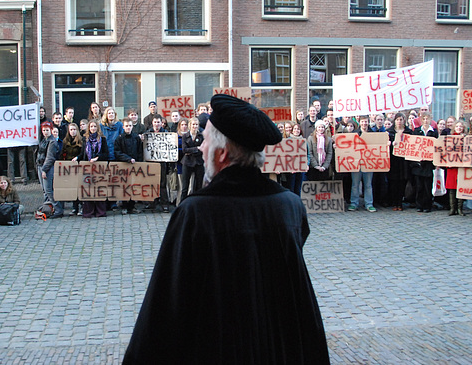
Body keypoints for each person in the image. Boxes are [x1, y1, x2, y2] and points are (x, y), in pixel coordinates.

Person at [123, 94, 330, 364]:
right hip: (278, 346)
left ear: (221, 154)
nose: (201, 148)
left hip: (217, 346)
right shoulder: (289, 206)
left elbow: (167, 306)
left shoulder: (195, 213)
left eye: (206, 141)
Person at [78, 119, 109, 218]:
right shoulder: (85, 139)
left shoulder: (102, 139)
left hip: (99, 167)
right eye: (91, 127)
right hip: (87, 167)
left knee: (99, 188)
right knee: (88, 189)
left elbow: (106, 153)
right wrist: (77, 158)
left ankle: (100, 211)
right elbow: (82, 153)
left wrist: (97, 158)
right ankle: (88, 211)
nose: (93, 128)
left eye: (95, 127)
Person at [114, 118, 144, 215]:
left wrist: (138, 162)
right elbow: (117, 152)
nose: (128, 127)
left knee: (134, 186)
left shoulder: (136, 138)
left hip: (134, 165)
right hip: (123, 165)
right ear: (123, 127)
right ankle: (124, 206)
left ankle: (132, 206)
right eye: (126, 126)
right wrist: (127, 159)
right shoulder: (119, 138)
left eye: (130, 126)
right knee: (124, 186)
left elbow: (140, 151)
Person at [412, 112, 439, 213]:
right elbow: (413, 146)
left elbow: (437, 147)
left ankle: (427, 205)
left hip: (429, 163)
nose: (426, 121)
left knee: (428, 185)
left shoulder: (434, 132)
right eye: (424, 119)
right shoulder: (417, 131)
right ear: (421, 120)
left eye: (428, 119)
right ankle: (419, 205)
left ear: (431, 120)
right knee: (419, 186)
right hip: (419, 163)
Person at [35, 121, 64, 218]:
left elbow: (50, 157)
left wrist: (44, 169)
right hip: (40, 165)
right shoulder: (43, 140)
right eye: (43, 130)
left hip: (47, 167)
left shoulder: (52, 142)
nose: (45, 132)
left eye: (47, 130)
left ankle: (58, 209)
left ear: (51, 130)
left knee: (49, 190)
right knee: (44, 190)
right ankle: (47, 208)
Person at [348, 116, 376, 212]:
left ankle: (369, 203)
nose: (364, 123)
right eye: (363, 122)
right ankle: (354, 203)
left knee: (368, 184)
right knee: (355, 184)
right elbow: (347, 146)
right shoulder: (354, 134)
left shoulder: (373, 133)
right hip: (356, 163)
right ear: (359, 123)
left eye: (366, 122)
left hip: (368, 163)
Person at [145, 114, 171, 212]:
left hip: (162, 162)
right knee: (151, 183)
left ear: (161, 123)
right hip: (151, 162)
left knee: (163, 184)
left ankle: (164, 204)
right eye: (155, 122)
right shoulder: (147, 133)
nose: (157, 124)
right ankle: (152, 203)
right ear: (152, 123)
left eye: (158, 122)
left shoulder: (166, 133)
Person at [387, 113, 412, 211]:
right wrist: (390, 144)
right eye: (397, 119)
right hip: (393, 160)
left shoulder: (408, 132)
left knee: (402, 182)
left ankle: (400, 203)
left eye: (401, 119)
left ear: (404, 120)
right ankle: (394, 202)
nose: (399, 121)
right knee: (393, 182)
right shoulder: (390, 132)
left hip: (404, 160)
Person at [444, 120, 468, 216]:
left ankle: (460, 208)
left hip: (462, 167)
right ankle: (452, 208)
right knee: (451, 188)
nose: (459, 128)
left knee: (460, 187)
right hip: (452, 166)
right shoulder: (450, 138)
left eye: (460, 127)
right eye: (457, 126)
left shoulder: (467, 139)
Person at [179, 117, 204, 202]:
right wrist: (197, 148)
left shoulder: (201, 136)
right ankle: (182, 204)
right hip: (187, 162)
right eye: (193, 124)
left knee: (198, 185)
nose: (195, 126)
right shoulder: (185, 136)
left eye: (196, 124)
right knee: (185, 187)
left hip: (198, 162)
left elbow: (203, 149)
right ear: (190, 125)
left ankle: (197, 203)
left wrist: (192, 150)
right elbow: (184, 150)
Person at [62, 123, 84, 216]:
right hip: (69, 166)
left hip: (78, 165)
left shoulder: (81, 140)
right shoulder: (65, 141)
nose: (73, 131)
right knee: (73, 188)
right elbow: (63, 152)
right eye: (71, 130)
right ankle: (74, 207)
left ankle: (81, 207)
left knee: (80, 187)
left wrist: (77, 158)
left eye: (74, 129)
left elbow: (83, 153)